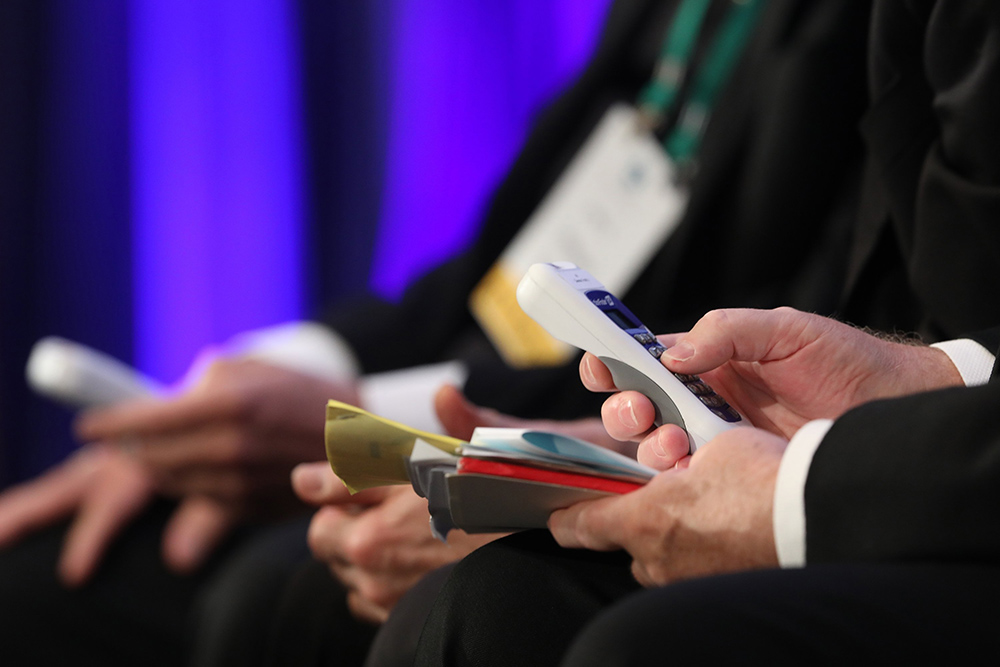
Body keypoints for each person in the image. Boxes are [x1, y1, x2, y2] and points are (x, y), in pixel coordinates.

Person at [0, 0, 871, 664]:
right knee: (32, 580)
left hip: (653, 446)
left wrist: (348, 421)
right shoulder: (669, 18)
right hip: (471, 408)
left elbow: (769, 345)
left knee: (291, 597)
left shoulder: (868, 40)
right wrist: (235, 397)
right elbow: (483, 282)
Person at [407, 1, 1000, 663]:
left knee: (571, 625)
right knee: (487, 597)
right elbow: (501, 232)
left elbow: (817, 281)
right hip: (908, 430)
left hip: (938, 483)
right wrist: (932, 375)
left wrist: (801, 487)